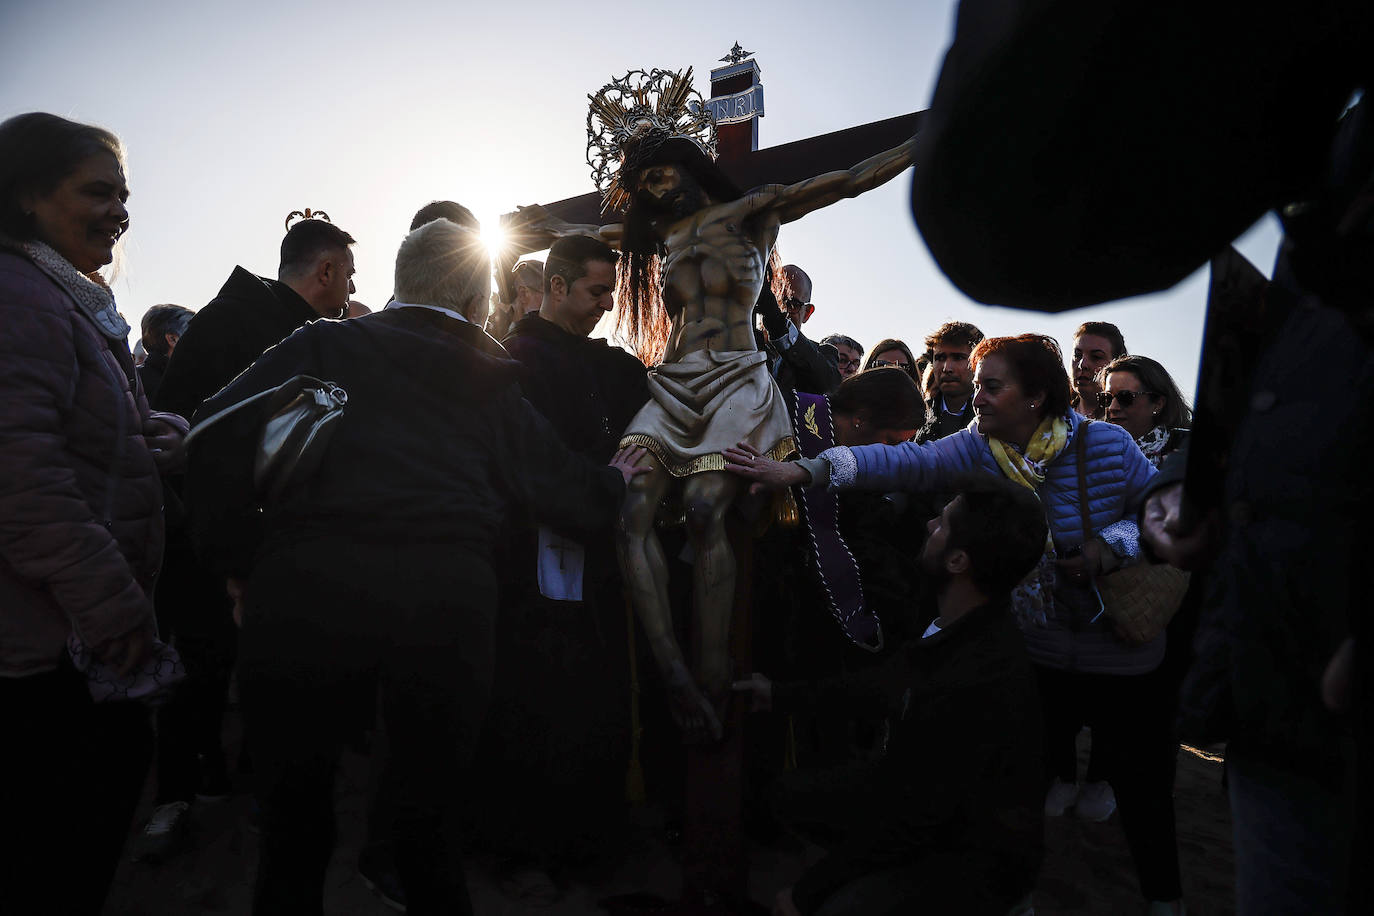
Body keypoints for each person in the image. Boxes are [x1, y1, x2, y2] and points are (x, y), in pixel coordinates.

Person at [183, 217, 646, 915]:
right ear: (475, 303)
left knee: (294, 829)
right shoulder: (490, 375)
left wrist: (242, 565)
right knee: (428, 825)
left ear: (402, 286)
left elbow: (208, 436)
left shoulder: (324, 341)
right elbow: (560, 489)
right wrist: (615, 477)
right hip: (444, 600)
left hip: (307, 586)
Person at [516, 67, 915, 739]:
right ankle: (673, 676)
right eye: (644, 185)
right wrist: (525, 225)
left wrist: (921, 141)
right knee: (629, 514)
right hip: (673, 383)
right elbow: (575, 229)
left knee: (705, 513)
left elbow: (846, 178)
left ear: (688, 164)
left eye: (664, 174)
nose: (658, 189)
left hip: (737, 377)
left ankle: (710, 683)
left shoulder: (754, 211)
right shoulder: (655, 241)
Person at [727, 334, 1185, 913]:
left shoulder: (1110, 444)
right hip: (1038, 649)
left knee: (1142, 792)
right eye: (977, 385)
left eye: (993, 386)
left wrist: (1109, 548)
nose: (979, 397)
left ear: (1037, 396)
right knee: (1025, 784)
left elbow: (1163, 511)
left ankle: (1166, 901)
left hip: (1120, 649)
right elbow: (904, 460)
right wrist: (804, 471)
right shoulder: (977, 448)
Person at [0, 111, 183, 916]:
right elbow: (22, 480)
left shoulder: (68, 301)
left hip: (67, 640)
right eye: (97, 191)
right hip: (43, 653)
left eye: (125, 194)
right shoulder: (17, 296)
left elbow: (74, 428)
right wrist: (118, 616)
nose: (120, 210)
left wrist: (150, 434)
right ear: (28, 196)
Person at [734, 477, 1050, 916]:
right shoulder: (960, 622)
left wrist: (808, 894)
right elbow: (882, 685)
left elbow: (913, 820)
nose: (928, 524)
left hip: (971, 857)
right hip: (926, 808)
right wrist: (779, 696)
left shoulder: (977, 676)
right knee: (789, 796)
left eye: (942, 524)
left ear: (958, 560)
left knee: (840, 905)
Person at [472, 234, 649, 893]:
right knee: (533, 699)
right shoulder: (514, 359)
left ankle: (587, 843)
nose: (607, 304)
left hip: (598, 559)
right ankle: (521, 850)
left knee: (594, 697)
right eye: (596, 290)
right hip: (530, 561)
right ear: (554, 286)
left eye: (611, 291)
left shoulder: (614, 366)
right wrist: (602, 473)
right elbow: (529, 464)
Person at [1099, 355, 1191, 466]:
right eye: (1106, 398)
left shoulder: (1185, 453)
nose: (1112, 407)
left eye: (1125, 397)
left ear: (1158, 404)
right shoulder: (1093, 450)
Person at [919, 320, 984, 442]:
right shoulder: (916, 415)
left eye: (958, 358)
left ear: (978, 361)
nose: (946, 368)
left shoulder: (995, 416)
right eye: (940, 358)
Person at [137, 303, 195, 402]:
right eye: (193, 332)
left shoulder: (138, 380)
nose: (200, 339)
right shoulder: (170, 384)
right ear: (173, 339)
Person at [1070, 321, 1127, 420]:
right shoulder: (1052, 414)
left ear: (1116, 364)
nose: (1082, 365)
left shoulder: (1126, 421)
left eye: (1096, 357)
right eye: (1077, 355)